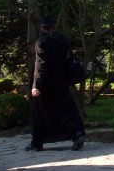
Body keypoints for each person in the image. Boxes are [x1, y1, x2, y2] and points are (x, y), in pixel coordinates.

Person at [26, 16, 85, 152]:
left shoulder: (42, 42)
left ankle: (37, 142)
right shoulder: (62, 39)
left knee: (41, 113)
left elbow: (40, 65)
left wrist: (36, 86)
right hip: (61, 81)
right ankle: (77, 133)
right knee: (66, 110)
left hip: (46, 85)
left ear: (42, 28)